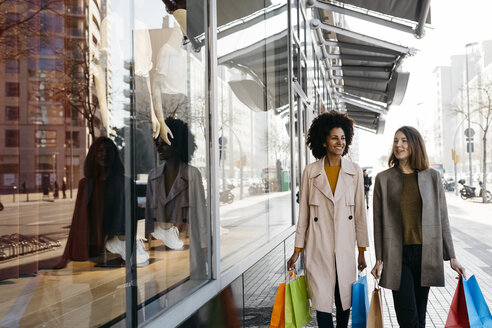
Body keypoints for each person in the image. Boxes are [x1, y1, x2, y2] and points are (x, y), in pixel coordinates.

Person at [370, 126, 466, 328]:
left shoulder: (432, 177)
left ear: (414, 144)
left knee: (420, 316)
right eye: (396, 141)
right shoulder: (383, 179)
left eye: (404, 140)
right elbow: (378, 221)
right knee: (408, 318)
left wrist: (452, 257)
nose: (398, 145)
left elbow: (443, 218)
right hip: (398, 256)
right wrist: (379, 258)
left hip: (426, 255)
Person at [287, 111, 369, 328]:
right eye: (334, 138)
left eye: (342, 138)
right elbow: (303, 213)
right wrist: (297, 250)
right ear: (323, 141)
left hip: (344, 248)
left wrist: (362, 250)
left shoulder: (355, 172)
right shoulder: (311, 172)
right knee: (322, 303)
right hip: (317, 247)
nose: (339, 142)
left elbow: (360, 212)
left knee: (344, 301)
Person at [57, 137, 149, 268]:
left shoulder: (125, 183)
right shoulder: (85, 185)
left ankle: (122, 244)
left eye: (108, 150)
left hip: (116, 248)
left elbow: (131, 219)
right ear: (94, 155)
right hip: (93, 251)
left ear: (114, 155)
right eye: (100, 150)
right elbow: (77, 222)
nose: (104, 154)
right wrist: (66, 257)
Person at [146, 117, 208, 279]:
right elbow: (149, 219)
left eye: (164, 143)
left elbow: (202, 215)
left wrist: (206, 249)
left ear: (177, 145)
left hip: (187, 249)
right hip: (161, 251)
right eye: (157, 143)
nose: (159, 147)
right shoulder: (153, 176)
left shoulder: (192, 174)